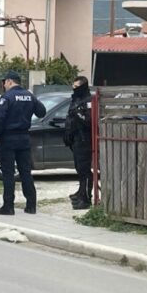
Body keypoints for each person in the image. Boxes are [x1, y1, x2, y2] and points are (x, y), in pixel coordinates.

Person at [0, 71, 46, 215]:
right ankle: (31, 205)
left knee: (8, 173)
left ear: (9, 81)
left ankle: (8, 206)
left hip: (8, 138)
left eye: (4, 82)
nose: (4, 85)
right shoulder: (29, 96)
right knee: (25, 172)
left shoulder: (7, 97)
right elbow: (42, 112)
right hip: (24, 137)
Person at [64, 76, 93, 210]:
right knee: (79, 168)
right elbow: (71, 118)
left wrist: (78, 114)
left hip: (84, 139)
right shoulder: (76, 100)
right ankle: (81, 192)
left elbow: (88, 121)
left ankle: (86, 198)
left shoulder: (89, 101)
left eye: (76, 87)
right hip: (76, 139)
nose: (74, 89)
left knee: (84, 170)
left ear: (82, 87)